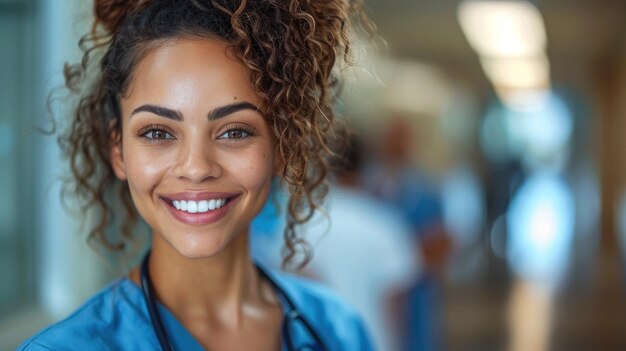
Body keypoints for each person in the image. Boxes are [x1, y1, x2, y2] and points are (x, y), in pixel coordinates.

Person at [19, 0, 373, 350]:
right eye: (158, 132)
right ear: (118, 151)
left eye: (234, 131)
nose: (196, 168)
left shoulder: (338, 330)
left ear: (283, 145)